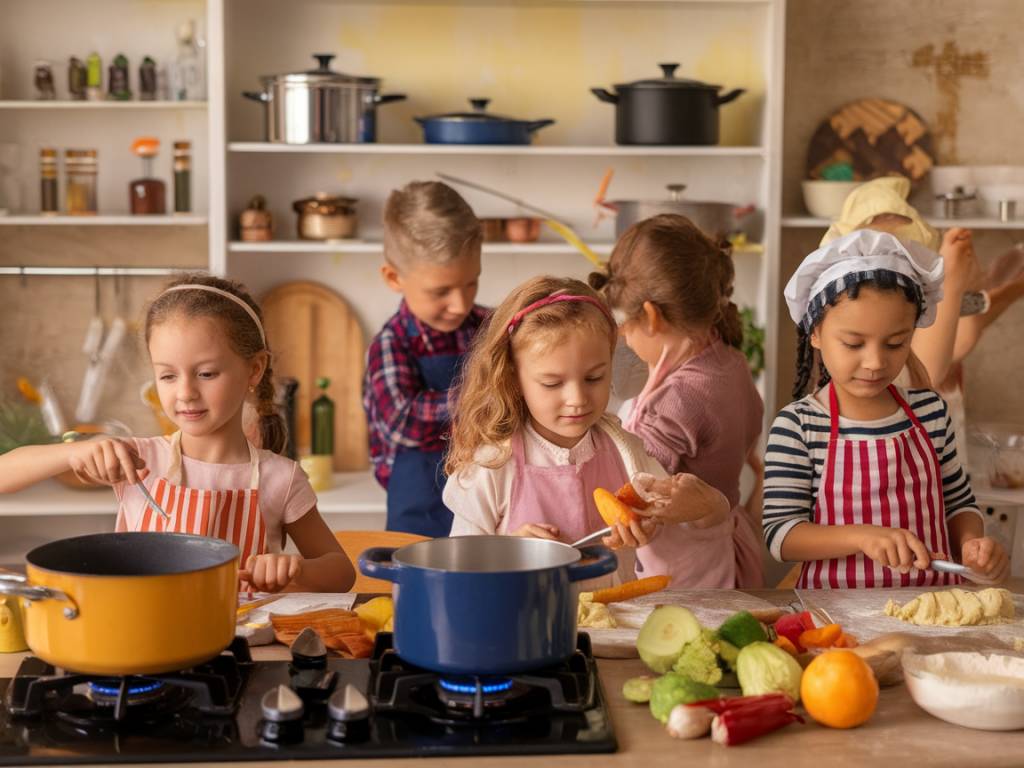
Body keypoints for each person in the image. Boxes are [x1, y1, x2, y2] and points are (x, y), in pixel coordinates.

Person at [0, 274, 355, 593]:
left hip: (240, 650)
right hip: (142, 643)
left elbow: (341, 573)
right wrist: (73, 452)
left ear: (254, 369)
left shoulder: (281, 478)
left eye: (206, 374)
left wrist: (294, 570)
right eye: (168, 376)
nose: (185, 392)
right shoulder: (138, 460)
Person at [443, 275, 734, 587]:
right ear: (513, 377)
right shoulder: (493, 464)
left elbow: (690, 516)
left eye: (594, 377)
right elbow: (460, 565)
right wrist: (509, 551)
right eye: (552, 383)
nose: (577, 399)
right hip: (520, 628)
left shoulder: (627, 451)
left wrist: (678, 514)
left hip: (609, 628)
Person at [763, 229, 1009, 588]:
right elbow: (781, 535)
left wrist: (973, 544)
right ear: (815, 333)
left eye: (896, 343)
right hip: (836, 620)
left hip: (931, 610)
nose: (875, 362)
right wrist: (862, 537)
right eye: (853, 343)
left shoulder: (930, 412)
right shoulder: (798, 426)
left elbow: (959, 504)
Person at [590, 214, 764, 587]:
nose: (624, 337)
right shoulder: (730, 362)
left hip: (680, 572)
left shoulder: (677, 401)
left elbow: (634, 493)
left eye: (626, 324)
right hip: (727, 548)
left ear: (651, 317)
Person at [362, 181, 488, 537]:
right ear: (393, 278)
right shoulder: (391, 343)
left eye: (471, 283)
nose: (461, 304)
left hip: (486, 497)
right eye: (441, 291)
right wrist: (482, 398)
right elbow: (402, 420)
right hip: (420, 511)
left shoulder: (489, 327)